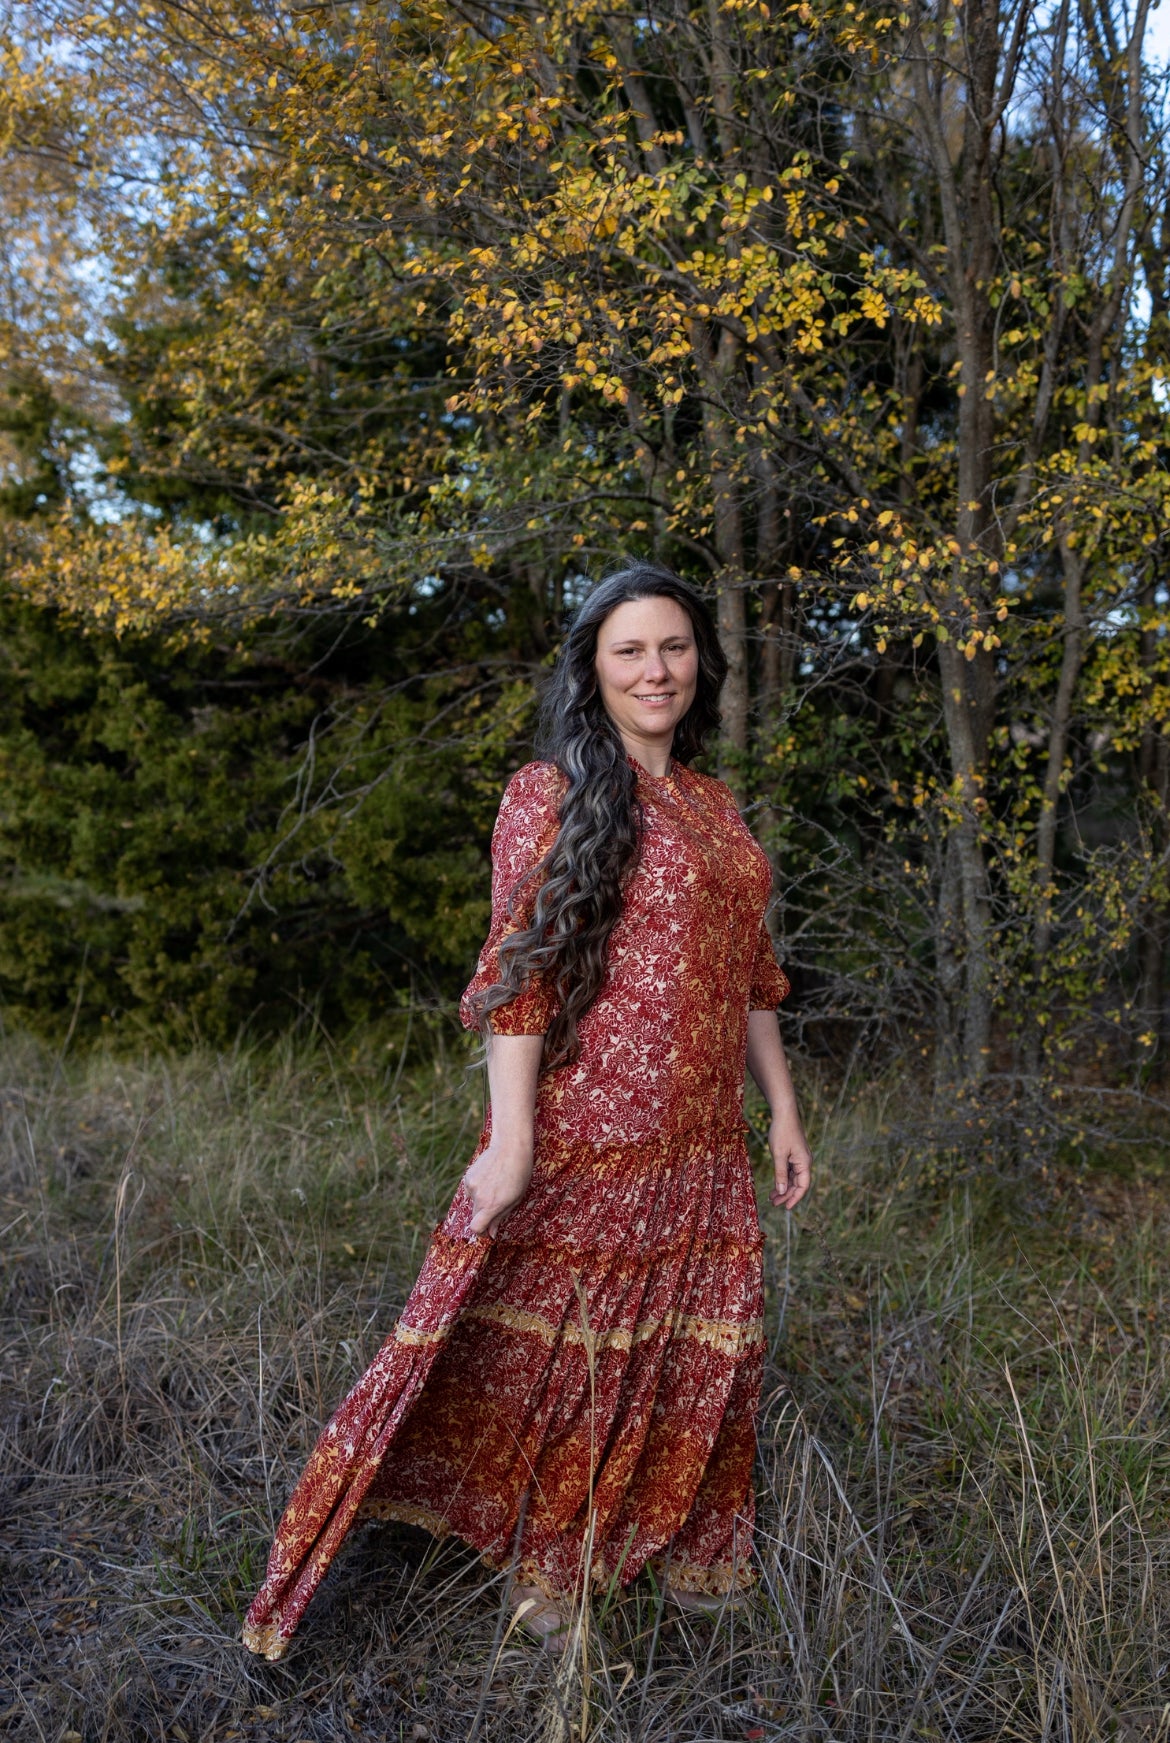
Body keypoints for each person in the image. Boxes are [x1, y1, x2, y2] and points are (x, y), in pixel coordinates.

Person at [242, 563, 812, 1660]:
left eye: (676, 647)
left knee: (695, 1354)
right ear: (592, 669)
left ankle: (676, 1534)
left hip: (701, 1143)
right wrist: (511, 1142)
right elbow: (523, 976)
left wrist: (781, 1109)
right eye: (631, 650)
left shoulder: (716, 806)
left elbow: (752, 976)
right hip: (594, 1131)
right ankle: (552, 1567)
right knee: (582, 1357)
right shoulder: (549, 794)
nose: (658, 670)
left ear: (704, 662)